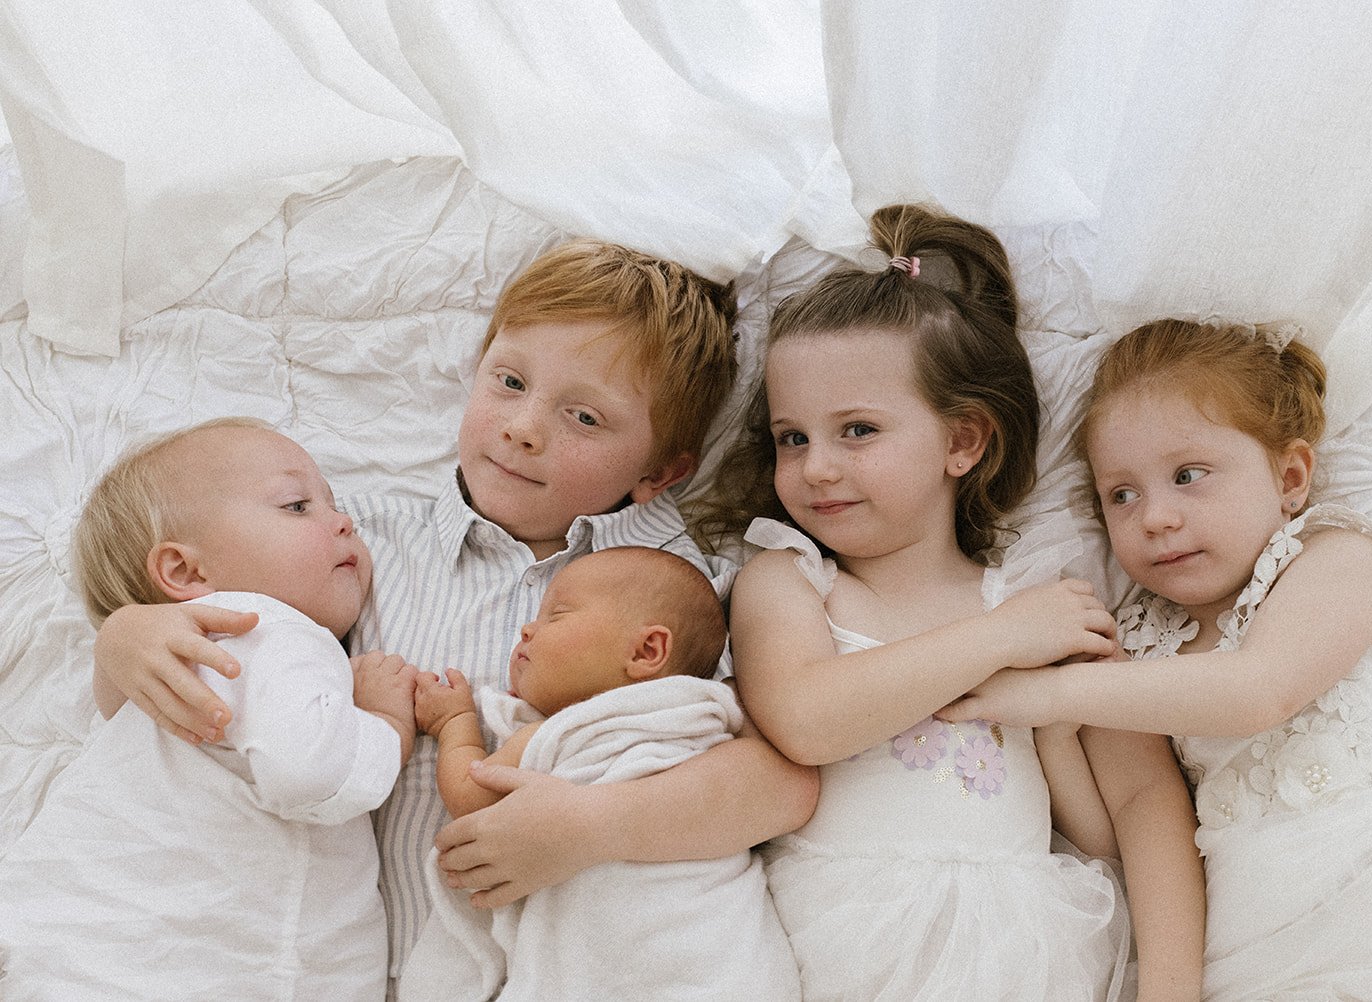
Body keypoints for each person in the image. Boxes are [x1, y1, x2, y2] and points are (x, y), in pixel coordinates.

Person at [88, 242, 819, 983]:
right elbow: (219, 666)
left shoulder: (703, 588)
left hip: (605, 961)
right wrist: (123, 636)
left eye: (585, 418)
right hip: (378, 969)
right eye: (508, 382)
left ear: (658, 473)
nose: (524, 427)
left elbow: (784, 786)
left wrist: (595, 827)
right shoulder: (354, 543)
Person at [941, 318, 1372, 999]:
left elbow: (1262, 690)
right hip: (1264, 924)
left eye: (1188, 475)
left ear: (1290, 477)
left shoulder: (1336, 556)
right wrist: (1052, 733)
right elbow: (1125, 820)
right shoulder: (1129, 643)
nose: (1155, 516)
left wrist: (1051, 697)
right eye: (1122, 494)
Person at [699, 205, 1205, 1001]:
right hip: (842, 940)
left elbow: (1122, 814)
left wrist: (1058, 731)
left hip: (1021, 944)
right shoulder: (792, 578)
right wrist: (999, 640)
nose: (816, 467)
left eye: (857, 430)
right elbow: (805, 720)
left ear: (963, 442)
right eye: (792, 437)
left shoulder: (1035, 594)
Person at [0, 418, 414, 999]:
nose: (344, 521)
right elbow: (309, 774)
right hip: (196, 967)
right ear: (187, 571)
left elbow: (110, 706)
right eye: (297, 506)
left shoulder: (155, 672)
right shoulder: (268, 628)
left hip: (61, 942)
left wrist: (119, 632)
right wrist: (386, 725)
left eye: (334, 503)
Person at [398, 546, 799, 1000]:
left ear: (648, 650)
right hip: (717, 961)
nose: (527, 629)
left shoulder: (562, 731)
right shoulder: (708, 715)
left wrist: (455, 725)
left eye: (557, 616)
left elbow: (473, 799)